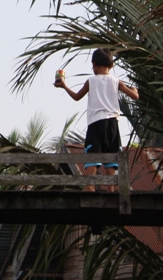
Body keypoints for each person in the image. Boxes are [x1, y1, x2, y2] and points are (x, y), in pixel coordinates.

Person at [54, 48, 139, 188]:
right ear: (111, 65)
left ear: (93, 64)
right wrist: (135, 90)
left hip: (96, 123)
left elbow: (77, 97)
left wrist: (64, 86)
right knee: (111, 159)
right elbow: (135, 96)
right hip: (112, 124)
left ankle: (89, 188)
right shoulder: (116, 81)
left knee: (92, 157)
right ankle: (111, 190)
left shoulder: (91, 81)